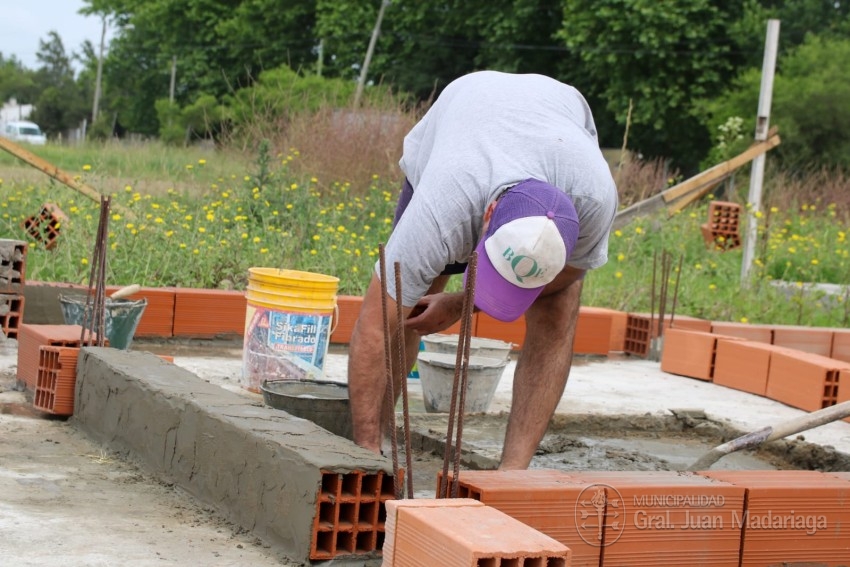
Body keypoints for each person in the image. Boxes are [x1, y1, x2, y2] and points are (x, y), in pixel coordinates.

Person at [347, 70, 618, 470]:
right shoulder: (440, 209)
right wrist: (364, 453)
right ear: (488, 217)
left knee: (558, 309)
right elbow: (373, 326)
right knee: (408, 309)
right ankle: (381, 438)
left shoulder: (594, 202)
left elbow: (568, 275)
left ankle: (512, 474)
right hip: (464, 116)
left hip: (557, 119)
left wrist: (461, 304)